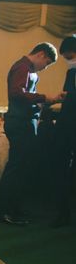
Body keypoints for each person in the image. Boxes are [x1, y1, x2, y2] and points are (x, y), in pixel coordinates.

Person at [0, 42, 65, 226]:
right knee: (17, 168)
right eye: (47, 63)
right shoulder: (23, 67)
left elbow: (25, 96)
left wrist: (49, 100)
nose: (45, 68)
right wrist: (44, 97)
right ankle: (4, 210)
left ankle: (12, 207)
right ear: (41, 54)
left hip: (24, 123)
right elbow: (17, 93)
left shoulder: (27, 69)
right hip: (21, 123)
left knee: (21, 167)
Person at [51, 34, 76, 227]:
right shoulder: (71, 72)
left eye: (69, 57)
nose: (68, 61)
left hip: (69, 127)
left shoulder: (72, 72)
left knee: (63, 171)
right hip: (68, 126)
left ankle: (64, 213)